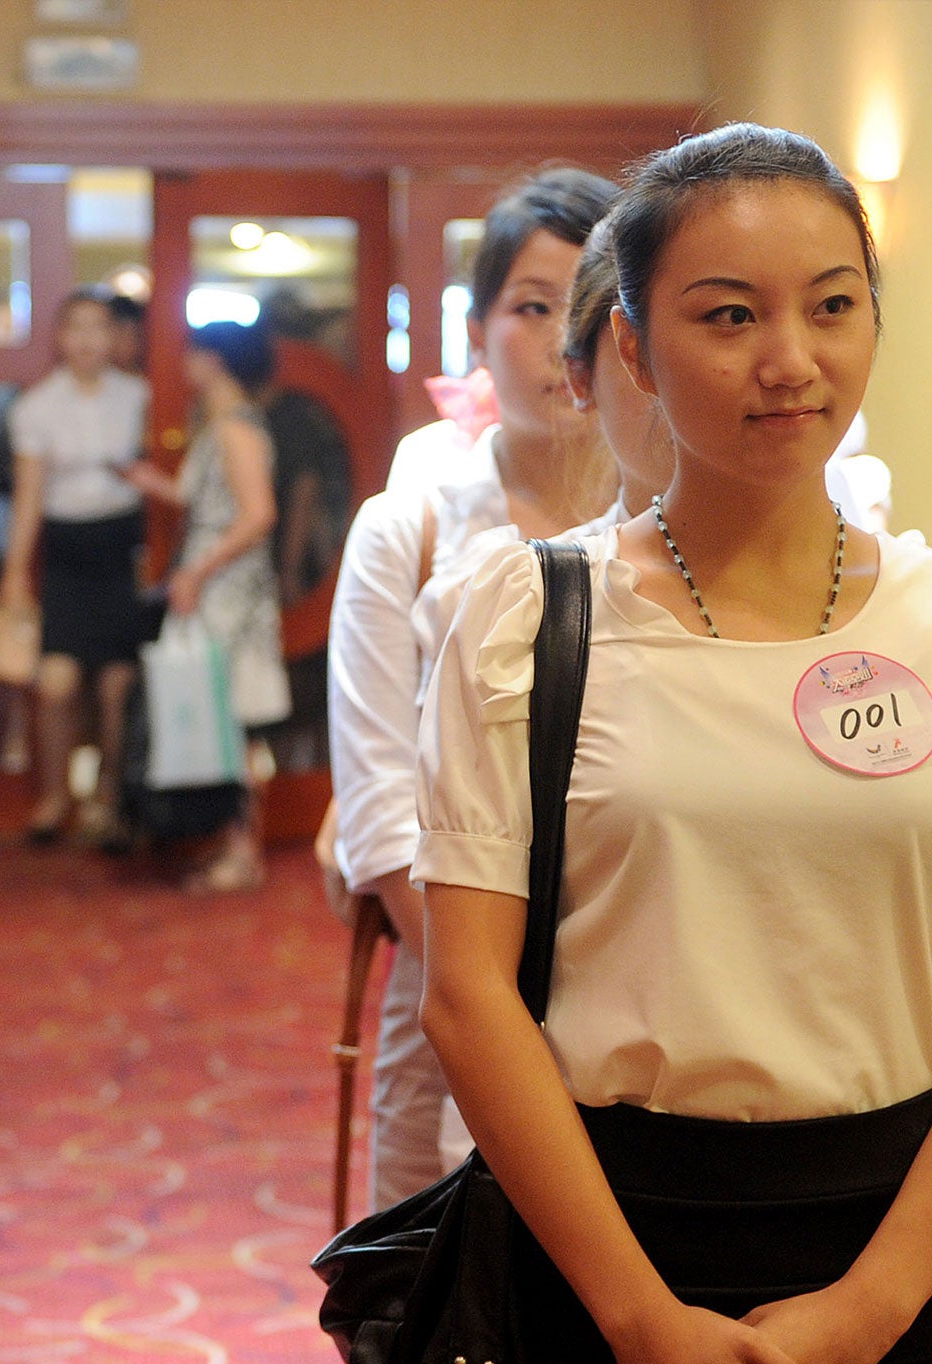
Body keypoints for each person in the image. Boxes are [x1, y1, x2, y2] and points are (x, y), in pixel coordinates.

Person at [417, 122, 932, 1364]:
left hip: (892, 1233)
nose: (794, 358)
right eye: (731, 316)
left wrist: (875, 1306)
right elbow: (468, 993)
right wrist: (641, 1319)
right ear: (636, 353)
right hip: (606, 1227)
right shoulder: (525, 618)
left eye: (834, 305)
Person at [321, 167, 618, 1209]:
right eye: (530, 307)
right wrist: (492, 998)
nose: (557, 339)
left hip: (651, 994)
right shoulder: (409, 527)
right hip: (449, 983)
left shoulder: (678, 524)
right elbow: (375, 806)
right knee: (451, 1316)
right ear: (480, 329)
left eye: (589, 304)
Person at [123, 320, 291, 892]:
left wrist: (197, 568)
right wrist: (157, 486)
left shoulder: (233, 428)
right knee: (228, 719)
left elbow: (257, 514)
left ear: (213, 360)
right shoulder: (227, 424)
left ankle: (243, 852)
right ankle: (232, 845)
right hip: (226, 587)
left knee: (235, 719)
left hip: (229, 592)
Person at [0, 288, 152, 845]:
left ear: (115, 337)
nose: (88, 340)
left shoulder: (142, 397)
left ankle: (108, 798)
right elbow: (28, 497)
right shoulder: (36, 406)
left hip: (122, 550)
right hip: (64, 552)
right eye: (76, 328)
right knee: (58, 683)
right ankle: (53, 797)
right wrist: (15, 574)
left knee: (117, 683)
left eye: (99, 328)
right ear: (60, 338)